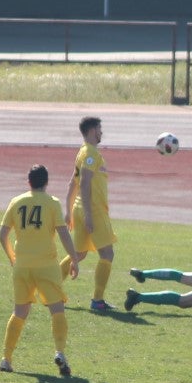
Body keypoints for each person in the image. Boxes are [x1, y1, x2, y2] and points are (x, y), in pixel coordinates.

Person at [0, 164, 80, 376]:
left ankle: (6, 359)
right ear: (46, 182)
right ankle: (60, 352)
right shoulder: (52, 203)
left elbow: (2, 235)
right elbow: (63, 234)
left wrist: (12, 258)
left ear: (29, 182)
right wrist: (74, 258)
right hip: (47, 267)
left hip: (22, 266)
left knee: (20, 312)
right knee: (57, 310)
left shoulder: (16, 202)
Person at [61, 116, 117, 312]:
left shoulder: (82, 152)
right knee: (107, 253)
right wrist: (88, 214)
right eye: (100, 129)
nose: (102, 132)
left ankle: (50, 290)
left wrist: (68, 211)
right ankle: (97, 300)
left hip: (81, 208)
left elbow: (72, 183)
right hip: (92, 210)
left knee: (79, 253)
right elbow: (83, 183)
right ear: (93, 130)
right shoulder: (91, 153)